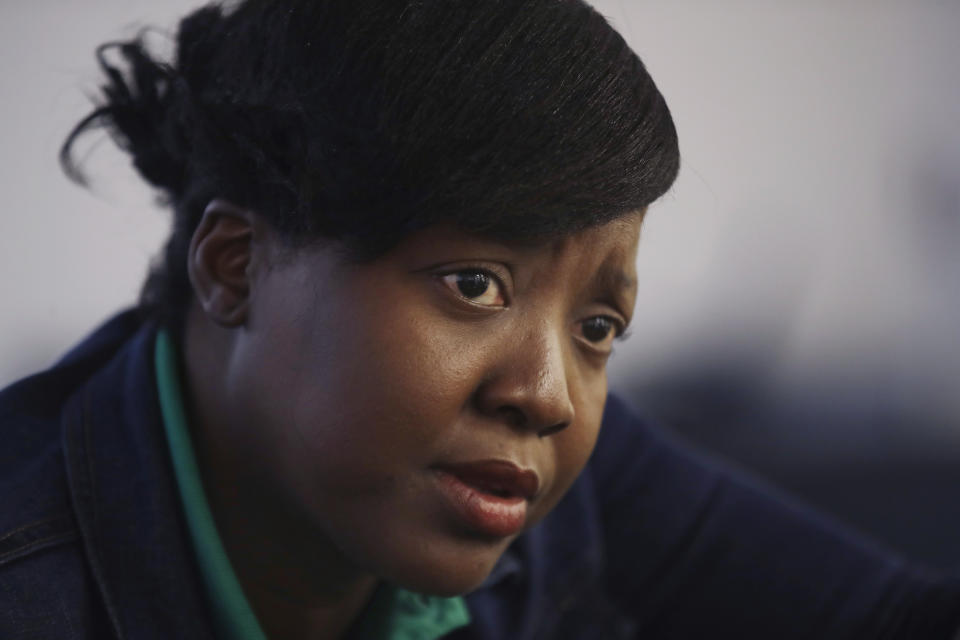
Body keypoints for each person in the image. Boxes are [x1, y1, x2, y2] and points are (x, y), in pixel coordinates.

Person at [1, 1, 958, 638]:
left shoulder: (537, 478)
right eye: (474, 284)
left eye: (597, 327)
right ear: (236, 266)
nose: (546, 397)